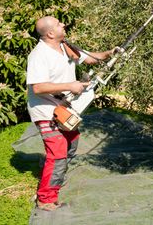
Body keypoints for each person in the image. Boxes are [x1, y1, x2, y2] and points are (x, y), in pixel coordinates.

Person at [26, 16, 116, 211]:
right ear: (50, 33)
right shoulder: (39, 55)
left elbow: (90, 58)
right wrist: (71, 85)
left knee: (71, 145)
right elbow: (39, 87)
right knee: (58, 154)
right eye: (59, 24)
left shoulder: (65, 46)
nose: (63, 25)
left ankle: (51, 168)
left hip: (65, 107)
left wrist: (110, 53)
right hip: (46, 110)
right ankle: (45, 199)